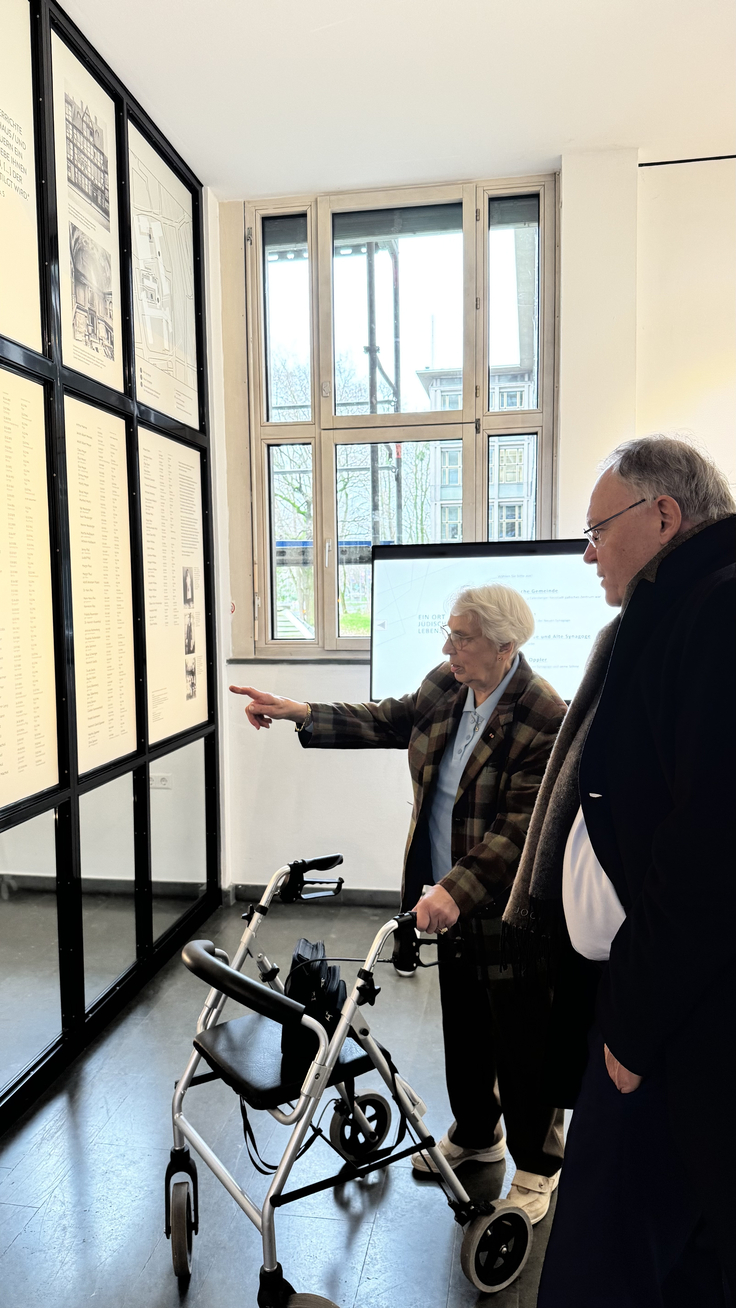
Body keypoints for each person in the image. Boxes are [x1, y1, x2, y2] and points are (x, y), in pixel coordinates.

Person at [230, 584, 567, 1223]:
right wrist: (299, 711)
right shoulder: (446, 684)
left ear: (505, 648)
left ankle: (537, 1166)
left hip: (509, 906)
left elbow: (519, 831)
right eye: (448, 633)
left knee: (523, 1038)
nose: (447, 648)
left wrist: (454, 891)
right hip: (444, 890)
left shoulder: (544, 714)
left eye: (461, 638)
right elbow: (388, 719)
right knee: (464, 1022)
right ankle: (476, 1133)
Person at [501, 436, 736, 1306]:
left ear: (664, 516)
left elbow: (711, 850)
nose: (589, 550)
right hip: (655, 1005)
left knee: (606, 1264)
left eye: (598, 529)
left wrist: (631, 1034)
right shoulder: (677, 609)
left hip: (666, 1020)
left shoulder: (714, 608)